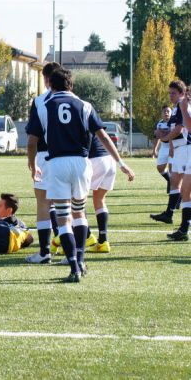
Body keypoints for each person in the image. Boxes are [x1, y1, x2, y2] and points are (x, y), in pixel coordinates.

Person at [27, 69, 134, 282]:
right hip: (82, 163)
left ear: (51, 86)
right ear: (71, 85)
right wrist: (121, 163)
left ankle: (74, 267)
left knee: (62, 216)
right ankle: (81, 260)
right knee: (80, 213)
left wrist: (32, 165)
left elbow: (32, 141)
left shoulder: (44, 106)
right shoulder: (85, 106)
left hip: (57, 164)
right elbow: (103, 136)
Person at [25, 62, 62, 264]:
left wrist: (31, 162)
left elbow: (32, 138)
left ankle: (44, 252)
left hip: (45, 156)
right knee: (68, 204)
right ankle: (72, 249)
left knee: (43, 203)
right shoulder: (77, 101)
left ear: (47, 79)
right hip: (71, 156)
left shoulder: (40, 101)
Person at [151, 81, 190, 224]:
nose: (170, 95)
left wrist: (165, 138)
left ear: (181, 93)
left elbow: (179, 129)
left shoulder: (181, 106)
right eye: (169, 92)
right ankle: (169, 214)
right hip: (180, 149)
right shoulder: (176, 108)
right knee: (174, 182)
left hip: (186, 148)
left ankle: (181, 223)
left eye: (173, 92)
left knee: (184, 188)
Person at [166, 83, 191, 241]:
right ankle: (184, 229)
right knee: (185, 192)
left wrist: (183, 108)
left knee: (186, 191)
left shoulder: (184, 107)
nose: (188, 96)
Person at [152, 106, 172, 193]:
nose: (166, 113)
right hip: (164, 147)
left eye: (168, 111)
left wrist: (163, 133)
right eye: (164, 111)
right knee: (160, 168)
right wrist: (154, 150)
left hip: (173, 147)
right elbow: (157, 137)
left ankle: (174, 188)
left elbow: (173, 133)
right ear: (162, 113)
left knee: (172, 169)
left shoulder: (174, 122)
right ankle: (170, 180)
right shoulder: (159, 124)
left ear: (171, 113)